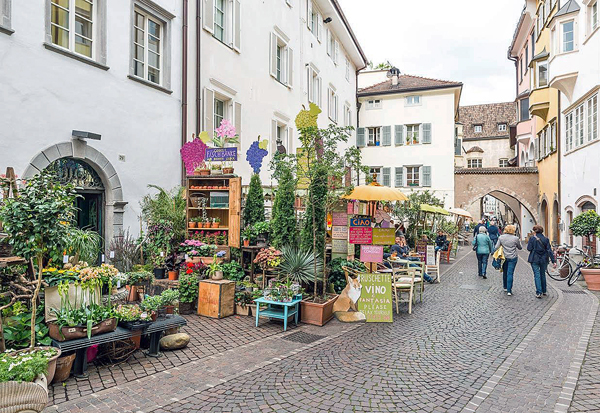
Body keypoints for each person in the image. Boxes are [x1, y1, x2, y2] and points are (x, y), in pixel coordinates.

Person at [527, 225, 556, 298]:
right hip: (544, 259)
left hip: (534, 258)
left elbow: (529, 248)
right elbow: (549, 250)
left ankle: (538, 292)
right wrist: (553, 261)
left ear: (534, 231)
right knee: (542, 274)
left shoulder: (532, 239)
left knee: (537, 275)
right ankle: (544, 290)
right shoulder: (546, 239)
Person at [495, 224, 522, 296]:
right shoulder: (515, 238)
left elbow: (496, 247)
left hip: (504, 257)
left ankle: (505, 287)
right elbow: (520, 247)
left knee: (505, 272)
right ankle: (509, 290)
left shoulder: (501, 237)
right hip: (513, 257)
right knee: (510, 273)